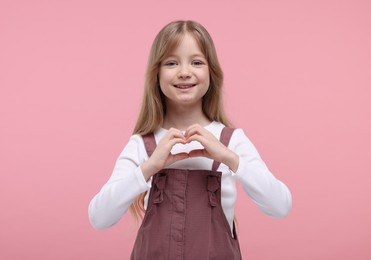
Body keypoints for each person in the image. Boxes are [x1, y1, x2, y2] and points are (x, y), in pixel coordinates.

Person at [88, 20, 292, 260]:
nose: (184, 72)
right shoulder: (141, 145)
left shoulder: (232, 141)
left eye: (196, 62)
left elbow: (280, 207)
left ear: (211, 73)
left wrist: (230, 159)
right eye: (172, 63)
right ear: (157, 74)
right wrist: (149, 168)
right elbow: (99, 218)